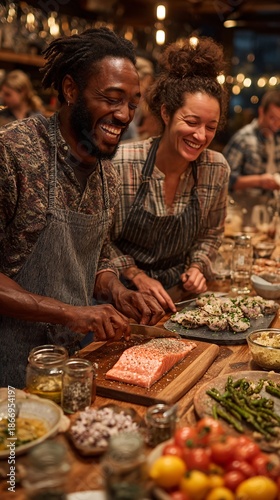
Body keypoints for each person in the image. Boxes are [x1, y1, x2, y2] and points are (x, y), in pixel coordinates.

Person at [0, 27, 165, 388]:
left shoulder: (105, 170)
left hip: (70, 366)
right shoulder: (14, 153)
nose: (124, 115)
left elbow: (93, 258)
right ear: (71, 89)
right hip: (8, 374)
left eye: (133, 104)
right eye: (112, 98)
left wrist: (116, 291)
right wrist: (71, 313)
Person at [110, 36, 230, 312]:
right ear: (166, 113)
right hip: (121, 302)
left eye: (211, 127)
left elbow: (211, 233)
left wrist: (198, 266)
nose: (200, 136)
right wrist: (135, 274)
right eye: (191, 122)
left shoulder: (216, 169)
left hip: (180, 301)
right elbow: (98, 243)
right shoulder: (123, 163)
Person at [223, 89, 280, 225]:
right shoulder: (243, 139)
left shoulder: (277, 139)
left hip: (268, 215)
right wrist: (260, 181)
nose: (276, 124)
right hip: (242, 215)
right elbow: (225, 179)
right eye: (272, 118)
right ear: (261, 112)